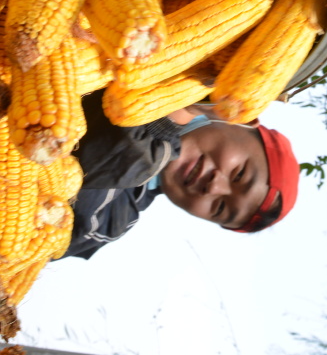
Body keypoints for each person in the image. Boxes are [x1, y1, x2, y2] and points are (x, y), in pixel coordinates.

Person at [62, 90, 300, 259]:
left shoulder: (110, 222)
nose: (214, 188)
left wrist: (181, 112)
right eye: (239, 174)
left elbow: (85, 162)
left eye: (219, 208)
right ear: (243, 123)